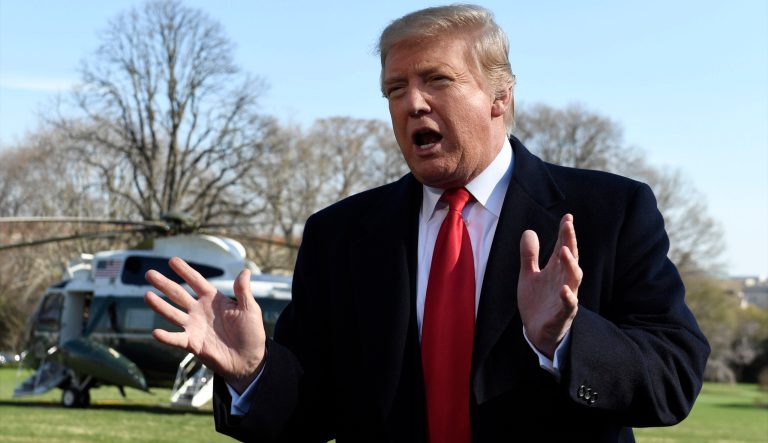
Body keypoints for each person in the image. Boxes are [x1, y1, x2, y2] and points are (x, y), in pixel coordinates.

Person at [144, 5, 710, 442]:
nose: (412, 103)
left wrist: (565, 339)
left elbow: (674, 379)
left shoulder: (610, 212)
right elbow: (310, 411)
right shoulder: (339, 236)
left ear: (500, 97)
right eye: (395, 89)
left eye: (437, 80)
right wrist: (253, 372)